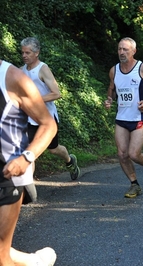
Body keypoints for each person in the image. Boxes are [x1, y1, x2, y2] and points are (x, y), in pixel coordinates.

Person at [0, 60, 57, 265]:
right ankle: (36, 262)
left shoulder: (13, 78)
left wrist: (27, 158)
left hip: (8, 176)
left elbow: (48, 124)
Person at [104, 37, 143, 198]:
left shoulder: (142, 68)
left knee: (133, 154)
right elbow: (112, 89)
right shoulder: (114, 70)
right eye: (119, 49)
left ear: (134, 51)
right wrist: (110, 99)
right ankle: (134, 185)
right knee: (122, 154)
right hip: (122, 118)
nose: (122, 52)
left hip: (139, 118)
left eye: (125, 49)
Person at [20, 37, 81, 180]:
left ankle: (70, 161)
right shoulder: (21, 70)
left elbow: (56, 93)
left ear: (37, 53)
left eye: (27, 53)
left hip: (46, 118)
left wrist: (33, 101)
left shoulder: (43, 69)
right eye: (22, 53)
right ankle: (27, 186)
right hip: (29, 118)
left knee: (53, 149)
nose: (24, 56)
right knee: (29, 150)